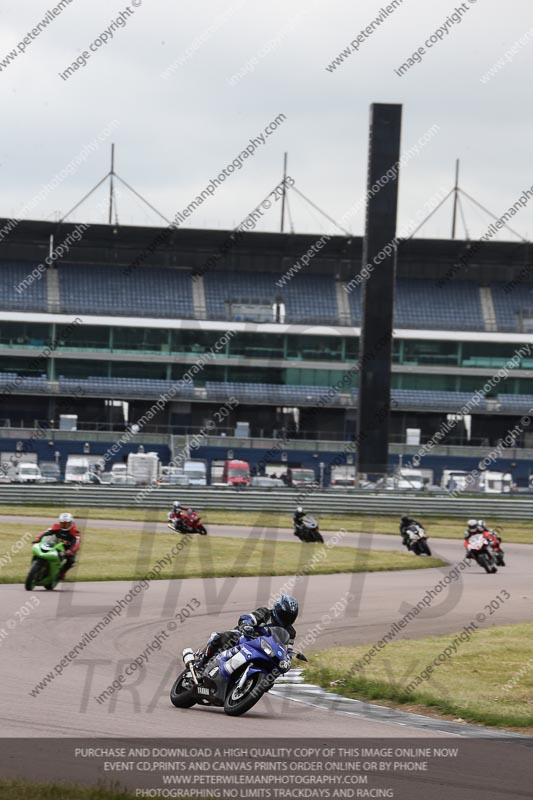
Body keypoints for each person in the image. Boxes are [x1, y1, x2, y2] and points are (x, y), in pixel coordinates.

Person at [195, 594, 299, 671]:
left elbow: (288, 650)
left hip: (263, 651)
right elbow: (248, 618)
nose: (287, 619)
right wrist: (246, 625)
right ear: (277, 609)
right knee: (224, 638)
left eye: (291, 617)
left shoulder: (290, 632)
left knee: (274, 671)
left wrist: (288, 659)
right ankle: (201, 664)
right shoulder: (265, 613)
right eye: (284, 615)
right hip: (246, 637)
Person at [32, 512, 81, 580]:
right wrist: (38, 539)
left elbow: (77, 542)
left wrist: (70, 550)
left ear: (71, 523)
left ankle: (62, 573)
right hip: (57, 544)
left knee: (71, 561)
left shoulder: (75, 531)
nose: (64, 526)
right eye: (62, 523)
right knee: (44, 549)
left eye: (66, 524)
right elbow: (46, 532)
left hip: (69, 548)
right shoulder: (56, 526)